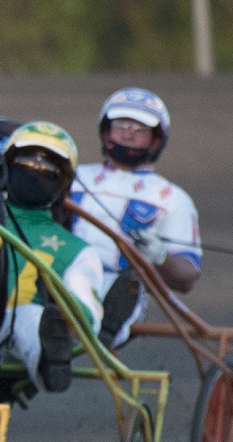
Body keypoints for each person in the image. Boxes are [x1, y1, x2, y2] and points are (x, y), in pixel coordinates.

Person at [70, 88, 201, 347]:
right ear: (106, 132)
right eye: (121, 125)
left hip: (120, 286)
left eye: (139, 129)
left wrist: (159, 255)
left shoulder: (171, 199)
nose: (128, 133)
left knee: (122, 285)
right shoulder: (71, 177)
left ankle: (100, 324)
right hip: (60, 273)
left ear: (155, 140)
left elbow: (187, 277)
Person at [0, 121, 103, 392]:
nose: (35, 171)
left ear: (64, 184)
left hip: (18, 330)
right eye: (26, 164)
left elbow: (88, 316)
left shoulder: (75, 250)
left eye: (47, 169)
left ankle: (50, 354)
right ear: (6, 169)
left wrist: (66, 314)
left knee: (30, 315)